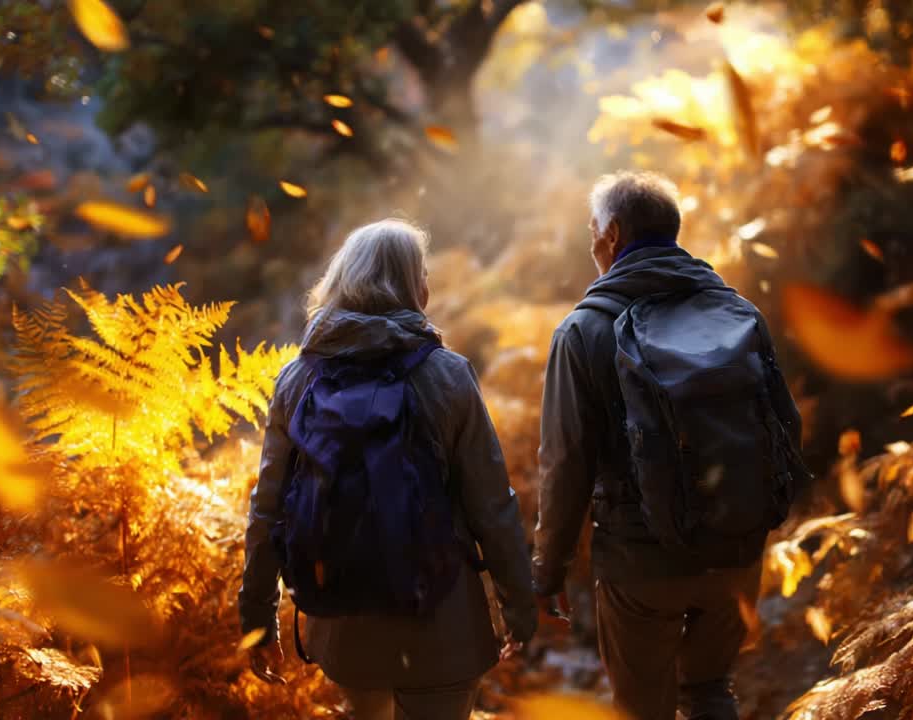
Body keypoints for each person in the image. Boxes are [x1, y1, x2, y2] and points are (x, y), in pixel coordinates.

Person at [533, 172, 806, 720]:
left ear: (611, 235)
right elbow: (785, 425)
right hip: (735, 550)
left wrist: (549, 572)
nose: (591, 244)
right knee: (708, 692)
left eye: (592, 231)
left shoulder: (583, 331)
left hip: (640, 565)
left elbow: (565, 465)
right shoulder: (738, 312)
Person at [239, 219, 537, 720]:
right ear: (409, 286)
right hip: (442, 626)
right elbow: (493, 507)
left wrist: (257, 621)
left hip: (345, 631)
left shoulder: (297, 379)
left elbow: (266, 510)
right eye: (422, 273)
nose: (429, 285)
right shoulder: (448, 375)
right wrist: (519, 610)